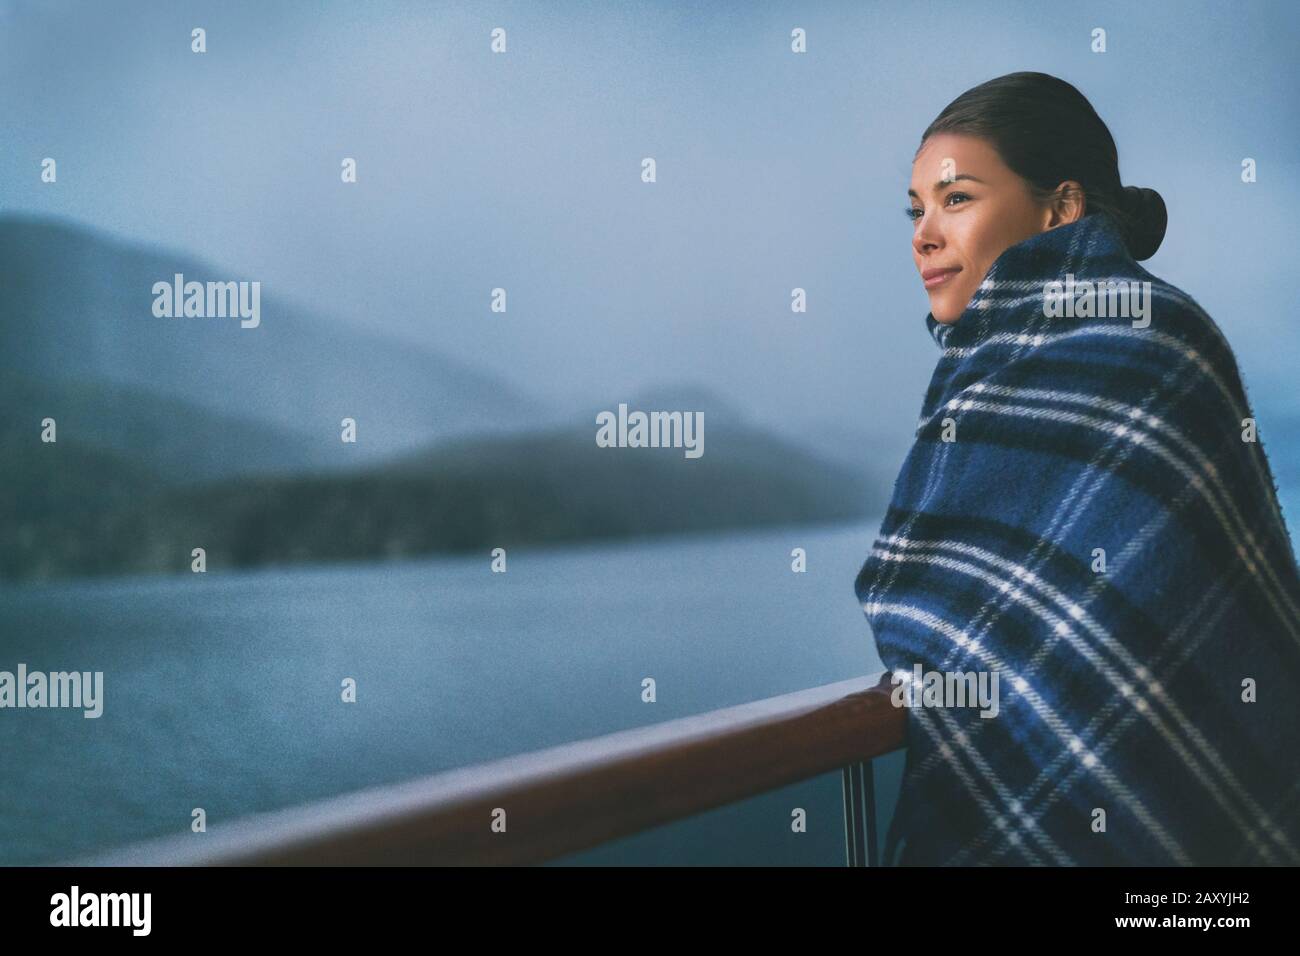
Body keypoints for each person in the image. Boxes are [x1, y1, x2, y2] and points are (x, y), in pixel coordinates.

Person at [854, 71, 1300, 865]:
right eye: (916, 209)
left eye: (956, 200)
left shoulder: (1155, 339)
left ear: (1061, 208)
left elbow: (1199, 613)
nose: (923, 233)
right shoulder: (981, 372)